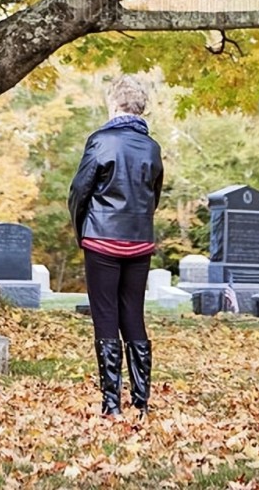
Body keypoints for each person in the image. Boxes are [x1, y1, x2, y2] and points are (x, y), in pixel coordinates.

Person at [68, 74, 164, 417]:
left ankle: (112, 404)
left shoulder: (101, 141)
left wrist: (82, 230)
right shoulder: (152, 148)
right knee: (133, 316)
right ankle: (141, 402)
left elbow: (80, 191)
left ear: (115, 104)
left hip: (102, 238)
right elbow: (153, 194)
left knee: (106, 317)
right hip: (139, 240)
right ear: (142, 108)